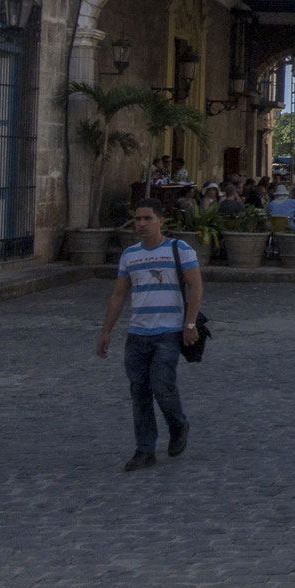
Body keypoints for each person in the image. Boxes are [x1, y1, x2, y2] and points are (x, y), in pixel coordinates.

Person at [96, 199, 202, 471]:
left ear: (161, 220)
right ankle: (145, 449)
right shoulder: (130, 254)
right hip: (138, 333)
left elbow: (196, 288)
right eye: (138, 219)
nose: (141, 224)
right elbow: (119, 293)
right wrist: (106, 331)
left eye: (147, 218)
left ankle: (178, 424)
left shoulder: (180, 249)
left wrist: (189, 325)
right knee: (139, 392)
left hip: (169, 331)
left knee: (162, 385)